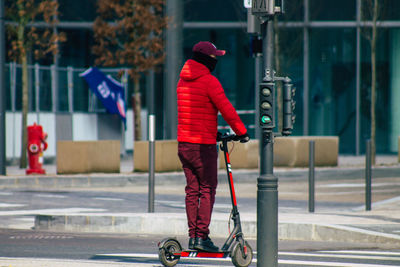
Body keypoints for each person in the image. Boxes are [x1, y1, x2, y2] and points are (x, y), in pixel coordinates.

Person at [176, 41, 249, 252]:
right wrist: (242, 132)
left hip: (184, 144)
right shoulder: (209, 81)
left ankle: (193, 237)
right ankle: (202, 237)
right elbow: (226, 109)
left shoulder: (182, 81)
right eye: (214, 57)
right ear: (206, 59)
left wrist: (212, 131)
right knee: (207, 189)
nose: (216, 60)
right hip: (202, 147)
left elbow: (195, 113)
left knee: (192, 191)